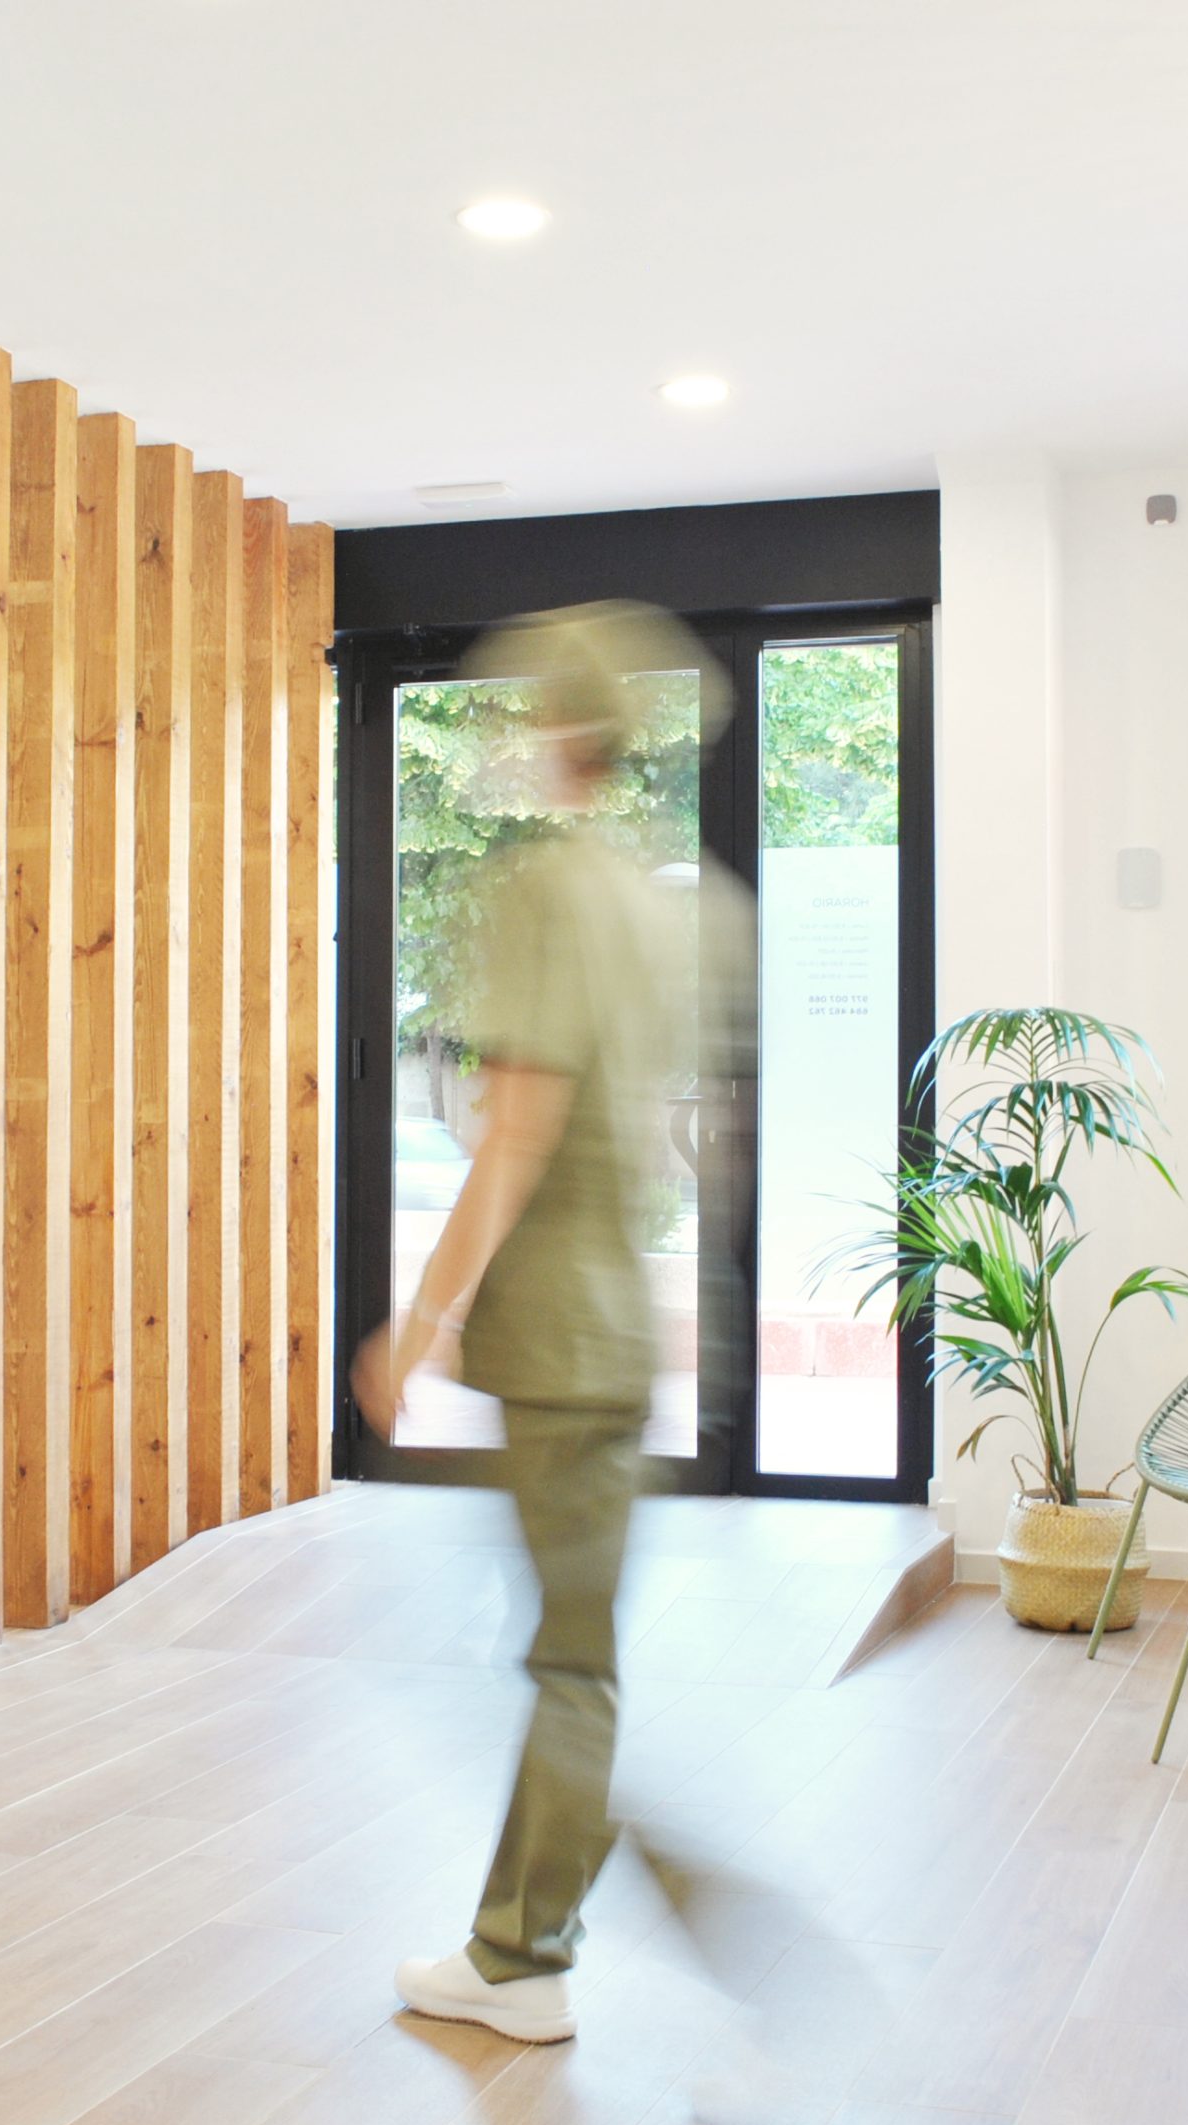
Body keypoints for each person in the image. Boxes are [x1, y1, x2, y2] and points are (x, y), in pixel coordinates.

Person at [353, 601, 720, 2045]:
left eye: (517, 715)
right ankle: (531, 1938)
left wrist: (418, 1317)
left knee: (570, 1665)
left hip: (559, 1342)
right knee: (576, 1653)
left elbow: (517, 1129)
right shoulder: (658, 899)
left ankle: (525, 1957)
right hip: (618, 1328)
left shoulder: (548, 889)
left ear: (553, 729)